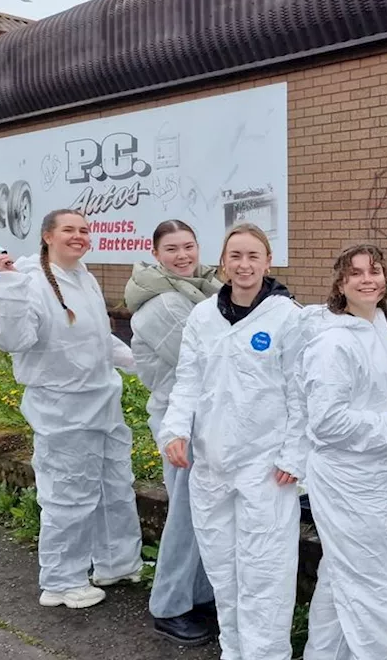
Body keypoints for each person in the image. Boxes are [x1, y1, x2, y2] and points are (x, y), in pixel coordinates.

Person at [0, 208, 144, 609]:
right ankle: (62, 580)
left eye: (84, 230)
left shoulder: (82, 277)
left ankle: (115, 561)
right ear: (47, 236)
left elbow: (100, 338)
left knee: (114, 486)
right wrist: (8, 287)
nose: (79, 236)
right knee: (69, 495)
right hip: (62, 409)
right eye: (69, 229)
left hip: (102, 402)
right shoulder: (29, 282)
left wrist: (143, 363)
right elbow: (13, 339)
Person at [160, 223, 308, 660]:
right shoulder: (203, 316)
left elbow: (300, 392)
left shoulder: (287, 317)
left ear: (268, 262)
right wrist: (176, 431)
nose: (244, 266)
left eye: (253, 256)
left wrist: (293, 453)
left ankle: (266, 654)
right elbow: (187, 380)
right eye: (236, 256)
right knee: (224, 570)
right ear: (223, 262)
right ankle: (235, 650)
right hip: (211, 465)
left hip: (266, 469)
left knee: (265, 571)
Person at [303, 244, 387, 660]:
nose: (367, 279)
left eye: (374, 270)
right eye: (355, 274)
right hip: (344, 479)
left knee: (341, 576)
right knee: (372, 583)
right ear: (341, 284)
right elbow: (326, 422)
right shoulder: (333, 343)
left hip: (371, 472)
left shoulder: (378, 326)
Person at [123, 220, 221, 645]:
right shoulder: (162, 305)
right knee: (185, 516)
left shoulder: (200, 290)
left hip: (209, 418)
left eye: (188, 246)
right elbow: (206, 363)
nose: (183, 256)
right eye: (172, 249)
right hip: (179, 421)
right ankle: (169, 606)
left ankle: (197, 596)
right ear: (156, 253)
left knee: (204, 515)